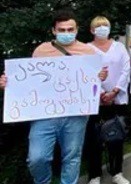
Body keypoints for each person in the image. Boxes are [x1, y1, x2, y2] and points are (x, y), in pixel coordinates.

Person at [0, 10, 108, 184]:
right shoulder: (41, 51)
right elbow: (28, 82)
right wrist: (9, 84)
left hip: (75, 114)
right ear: (54, 31)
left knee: (72, 156)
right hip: (44, 115)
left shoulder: (89, 52)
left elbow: (94, 84)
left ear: (77, 29)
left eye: (70, 29)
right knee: (37, 158)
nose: (66, 33)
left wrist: (100, 78)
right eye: (62, 30)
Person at [84, 16, 131, 184]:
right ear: (91, 30)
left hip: (117, 99)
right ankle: (94, 175)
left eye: (105, 25)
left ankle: (117, 172)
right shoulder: (86, 49)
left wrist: (115, 91)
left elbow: (126, 69)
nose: (102, 28)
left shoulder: (119, 47)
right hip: (95, 100)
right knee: (94, 138)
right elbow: (85, 72)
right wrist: (102, 93)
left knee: (116, 136)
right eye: (98, 26)